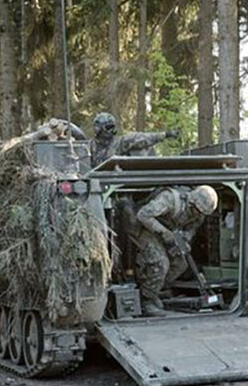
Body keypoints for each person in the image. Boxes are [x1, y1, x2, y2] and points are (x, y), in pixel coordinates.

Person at [132, 184, 219, 317]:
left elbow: (192, 228)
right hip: (147, 229)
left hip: (171, 234)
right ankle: (146, 301)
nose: (200, 216)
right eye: (198, 212)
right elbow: (143, 215)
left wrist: (185, 239)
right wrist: (164, 232)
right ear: (192, 204)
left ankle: (155, 290)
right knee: (161, 263)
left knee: (181, 264)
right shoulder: (170, 199)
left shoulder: (199, 213)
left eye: (202, 214)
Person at [91, 112, 180, 165]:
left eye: (112, 127)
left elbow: (143, 139)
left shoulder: (120, 143)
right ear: (98, 129)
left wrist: (165, 134)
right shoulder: (89, 147)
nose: (112, 130)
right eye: (108, 127)